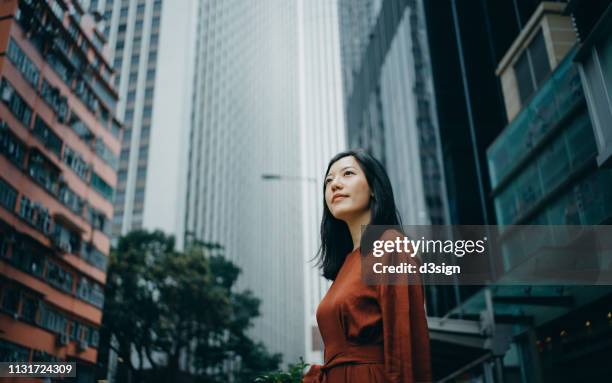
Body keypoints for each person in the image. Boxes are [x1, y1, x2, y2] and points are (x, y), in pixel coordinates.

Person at [303, 149, 432, 383]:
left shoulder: (391, 245)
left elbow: (405, 344)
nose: (335, 185)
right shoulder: (345, 266)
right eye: (328, 181)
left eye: (347, 174)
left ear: (373, 188)